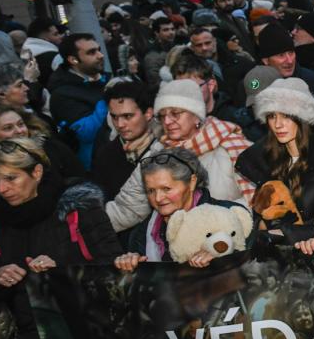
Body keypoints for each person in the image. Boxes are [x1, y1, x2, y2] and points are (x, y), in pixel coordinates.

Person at [0, 138, 122, 339]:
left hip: (88, 338)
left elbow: (113, 268)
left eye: (10, 178)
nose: (1, 189)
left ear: (36, 172)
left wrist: (62, 270)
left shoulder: (78, 209)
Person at [105, 79, 254, 232]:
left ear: (196, 116)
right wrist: (88, 222)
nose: (167, 121)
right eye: (162, 116)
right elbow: (129, 208)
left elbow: (258, 200)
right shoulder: (157, 154)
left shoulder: (233, 146)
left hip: (228, 240)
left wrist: (216, 230)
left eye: (175, 113)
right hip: (175, 247)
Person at [236, 77, 314, 253]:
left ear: (303, 117)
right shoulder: (266, 162)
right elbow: (261, 220)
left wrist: (285, 232)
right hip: (277, 261)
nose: (278, 124)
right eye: (272, 116)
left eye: (286, 115)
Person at [112, 147, 250, 269]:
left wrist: (224, 258)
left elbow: (253, 265)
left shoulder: (228, 215)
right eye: (151, 191)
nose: (158, 198)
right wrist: (130, 265)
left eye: (166, 189)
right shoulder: (141, 235)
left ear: (192, 182)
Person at [49, 33, 108, 169]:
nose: (100, 55)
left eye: (98, 49)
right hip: (95, 164)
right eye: (91, 52)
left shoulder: (104, 79)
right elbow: (87, 133)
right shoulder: (62, 94)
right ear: (73, 60)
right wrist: (110, 97)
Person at [91, 80, 156, 200]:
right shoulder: (105, 155)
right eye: (114, 117)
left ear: (148, 113)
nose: (120, 124)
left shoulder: (165, 148)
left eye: (127, 116)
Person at [255, 23, 314, 100]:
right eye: (281, 55)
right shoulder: (254, 87)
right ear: (266, 60)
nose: (290, 61)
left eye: (291, 52)